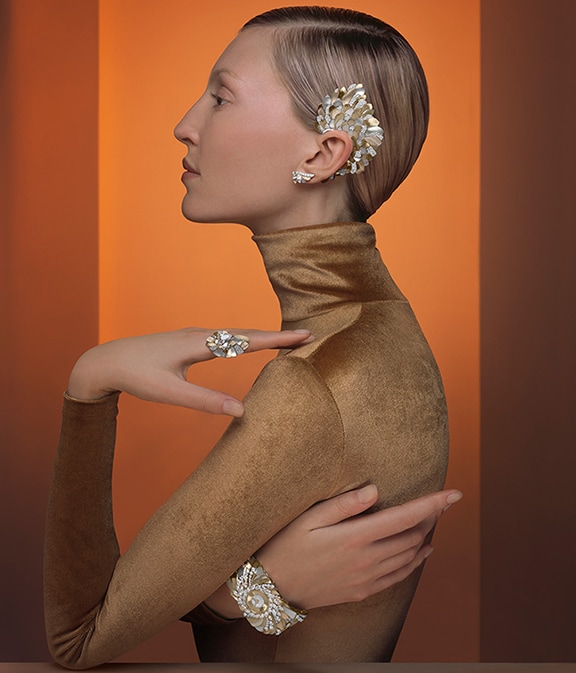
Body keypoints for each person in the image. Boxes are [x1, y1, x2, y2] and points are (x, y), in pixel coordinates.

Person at [44, 6, 456, 668]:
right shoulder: (387, 331)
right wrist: (246, 592)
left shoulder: (318, 379)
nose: (185, 125)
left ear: (322, 153)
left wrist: (92, 379)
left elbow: (78, 638)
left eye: (221, 96)